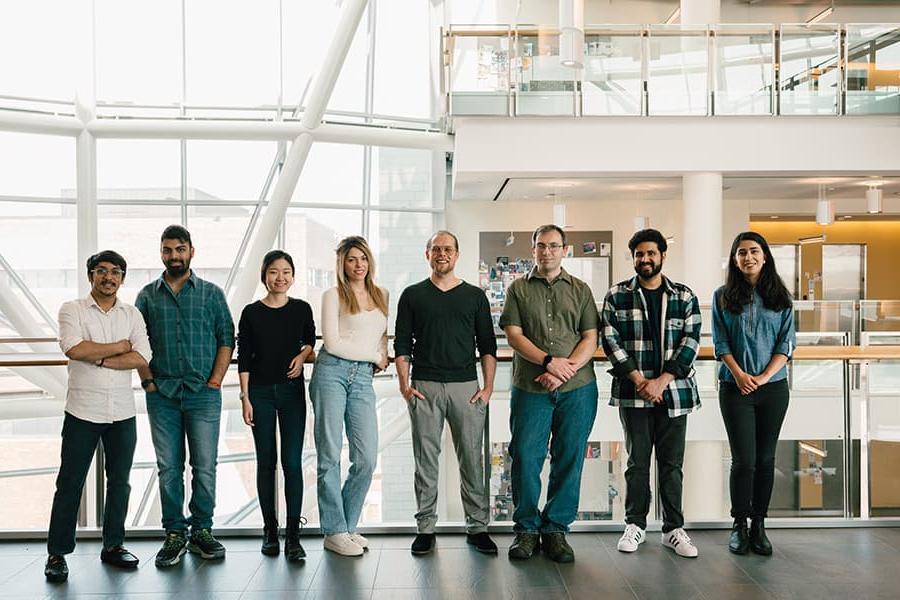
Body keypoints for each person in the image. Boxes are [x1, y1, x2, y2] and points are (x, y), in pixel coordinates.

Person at [44, 251, 152, 583]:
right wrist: (120, 346)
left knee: (120, 482)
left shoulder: (131, 313)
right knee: (70, 482)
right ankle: (57, 553)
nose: (109, 277)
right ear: (91, 275)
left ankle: (114, 546)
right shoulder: (72, 309)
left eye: (115, 272)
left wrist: (102, 357)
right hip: (82, 411)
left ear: (122, 278)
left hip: (122, 412)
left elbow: (143, 354)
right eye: (101, 271)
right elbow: (74, 348)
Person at [135, 225, 235, 567]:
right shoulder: (147, 296)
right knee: (168, 468)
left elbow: (227, 338)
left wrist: (215, 381)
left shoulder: (211, 294)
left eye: (180, 249)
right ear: (160, 253)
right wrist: (148, 383)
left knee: (205, 466)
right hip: (161, 394)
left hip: (203, 393)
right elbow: (137, 345)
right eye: (167, 250)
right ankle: (174, 534)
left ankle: (202, 531)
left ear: (192, 251)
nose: (174, 255)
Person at [394, 230, 498, 556]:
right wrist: (404, 385)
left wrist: (488, 388)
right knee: (426, 462)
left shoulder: (475, 296)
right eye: (436, 249)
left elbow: (488, 346)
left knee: (472, 460)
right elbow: (401, 344)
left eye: (448, 249)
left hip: (466, 388)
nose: (442, 254)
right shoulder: (412, 295)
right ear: (427, 255)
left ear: (457, 255)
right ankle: (425, 528)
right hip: (424, 387)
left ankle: (477, 527)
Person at [499, 224, 599, 563]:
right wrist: (547, 362)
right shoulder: (517, 290)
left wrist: (565, 368)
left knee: (569, 457)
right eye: (541, 246)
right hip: (530, 387)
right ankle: (526, 530)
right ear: (533, 250)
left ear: (564, 250)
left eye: (554, 246)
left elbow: (590, 337)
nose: (547, 252)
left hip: (577, 389)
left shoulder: (581, 290)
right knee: (526, 456)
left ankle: (556, 530)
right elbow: (513, 334)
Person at [600, 229, 701, 559]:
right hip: (634, 393)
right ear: (633, 258)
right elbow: (610, 341)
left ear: (662, 256)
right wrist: (640, 380)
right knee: (637, 463)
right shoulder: (617, 296)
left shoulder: (684, 296)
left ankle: (673, 529)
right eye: (639, 254)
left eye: (650, 254)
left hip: (676, 393)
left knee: (672, 465)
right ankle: (636, 525)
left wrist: (661, 381)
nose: (644, 259)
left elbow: (691, 342)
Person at [712, 231, 795, 556]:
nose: (748, 257)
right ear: (734, 259)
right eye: (741, 252)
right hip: (735, 388)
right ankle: (739, 525)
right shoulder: (722, 296)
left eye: (754, 251)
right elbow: (721, 343)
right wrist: (740, 374)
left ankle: (759, 524)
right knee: (743, 461)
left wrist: (762, 377)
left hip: (772, 389)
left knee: (765, 459)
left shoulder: (781, 298)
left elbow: (786, 345)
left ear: (765, 256)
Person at [309, 236, 389, 556]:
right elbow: (332, 343)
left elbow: (381, 338)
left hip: (363, 380)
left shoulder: (381, 295)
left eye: (363, 259)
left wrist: (379, 353)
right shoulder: (333, 296)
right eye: (351, 259)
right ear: (342, 264)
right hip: (332, 372)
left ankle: (348, 524)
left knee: (367, 457)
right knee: (329, 455)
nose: (358, 265)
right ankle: (334, 530)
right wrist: (374, 355)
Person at [238, 250, 315, 561]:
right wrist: (244, 397)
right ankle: (270, 530)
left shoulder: (301, 309)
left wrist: (302, 355)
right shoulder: (251, 312)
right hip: (259, 392)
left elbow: (310, 340)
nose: (280, 277)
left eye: (286, 271)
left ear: (292, 276)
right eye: (273, 271)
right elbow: (243, 357)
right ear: (264, 275)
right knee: (265, 462)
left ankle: (293, 536)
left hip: (292, 393)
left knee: (293, 463)